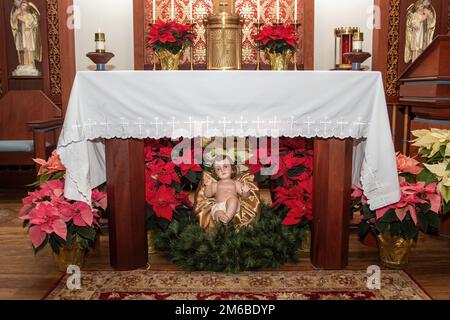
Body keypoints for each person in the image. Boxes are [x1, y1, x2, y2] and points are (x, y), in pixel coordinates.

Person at [203, 155, 251, 224]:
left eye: (225, 166)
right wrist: (208, 186)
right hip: (219, 205)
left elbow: (245, 196)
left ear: (232, 169)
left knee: (233, 199)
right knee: (218, 213)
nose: (222, 170)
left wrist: (245, 191)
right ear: (215, 173)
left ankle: (227, 216)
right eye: (218, 169)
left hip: (232, 206)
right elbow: (207, 195)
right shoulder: (216, 184)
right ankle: (221, 222)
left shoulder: (235, 183)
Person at [10, 0, 41, 75]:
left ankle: (30, 64)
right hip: (20, 35)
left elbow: (31, 23)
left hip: (28, 36)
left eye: (24, 5)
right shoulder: (17, 14)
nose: (23, 7)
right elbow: (13, 24)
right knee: (21, 50)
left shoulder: (29, 15)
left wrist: (23, 19)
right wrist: (15, 15)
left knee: (28, 50)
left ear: (27, 7)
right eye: (22, 5)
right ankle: (22, 64)